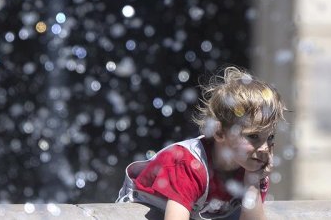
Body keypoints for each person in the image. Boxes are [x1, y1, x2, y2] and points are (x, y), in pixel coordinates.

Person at [117, 67, 287, 220]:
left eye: (270, 137)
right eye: (254, 136)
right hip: (136, 212)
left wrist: (252, 181)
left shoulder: (253, 167)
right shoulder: (188, 164)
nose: (265, 147)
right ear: (219, 132)